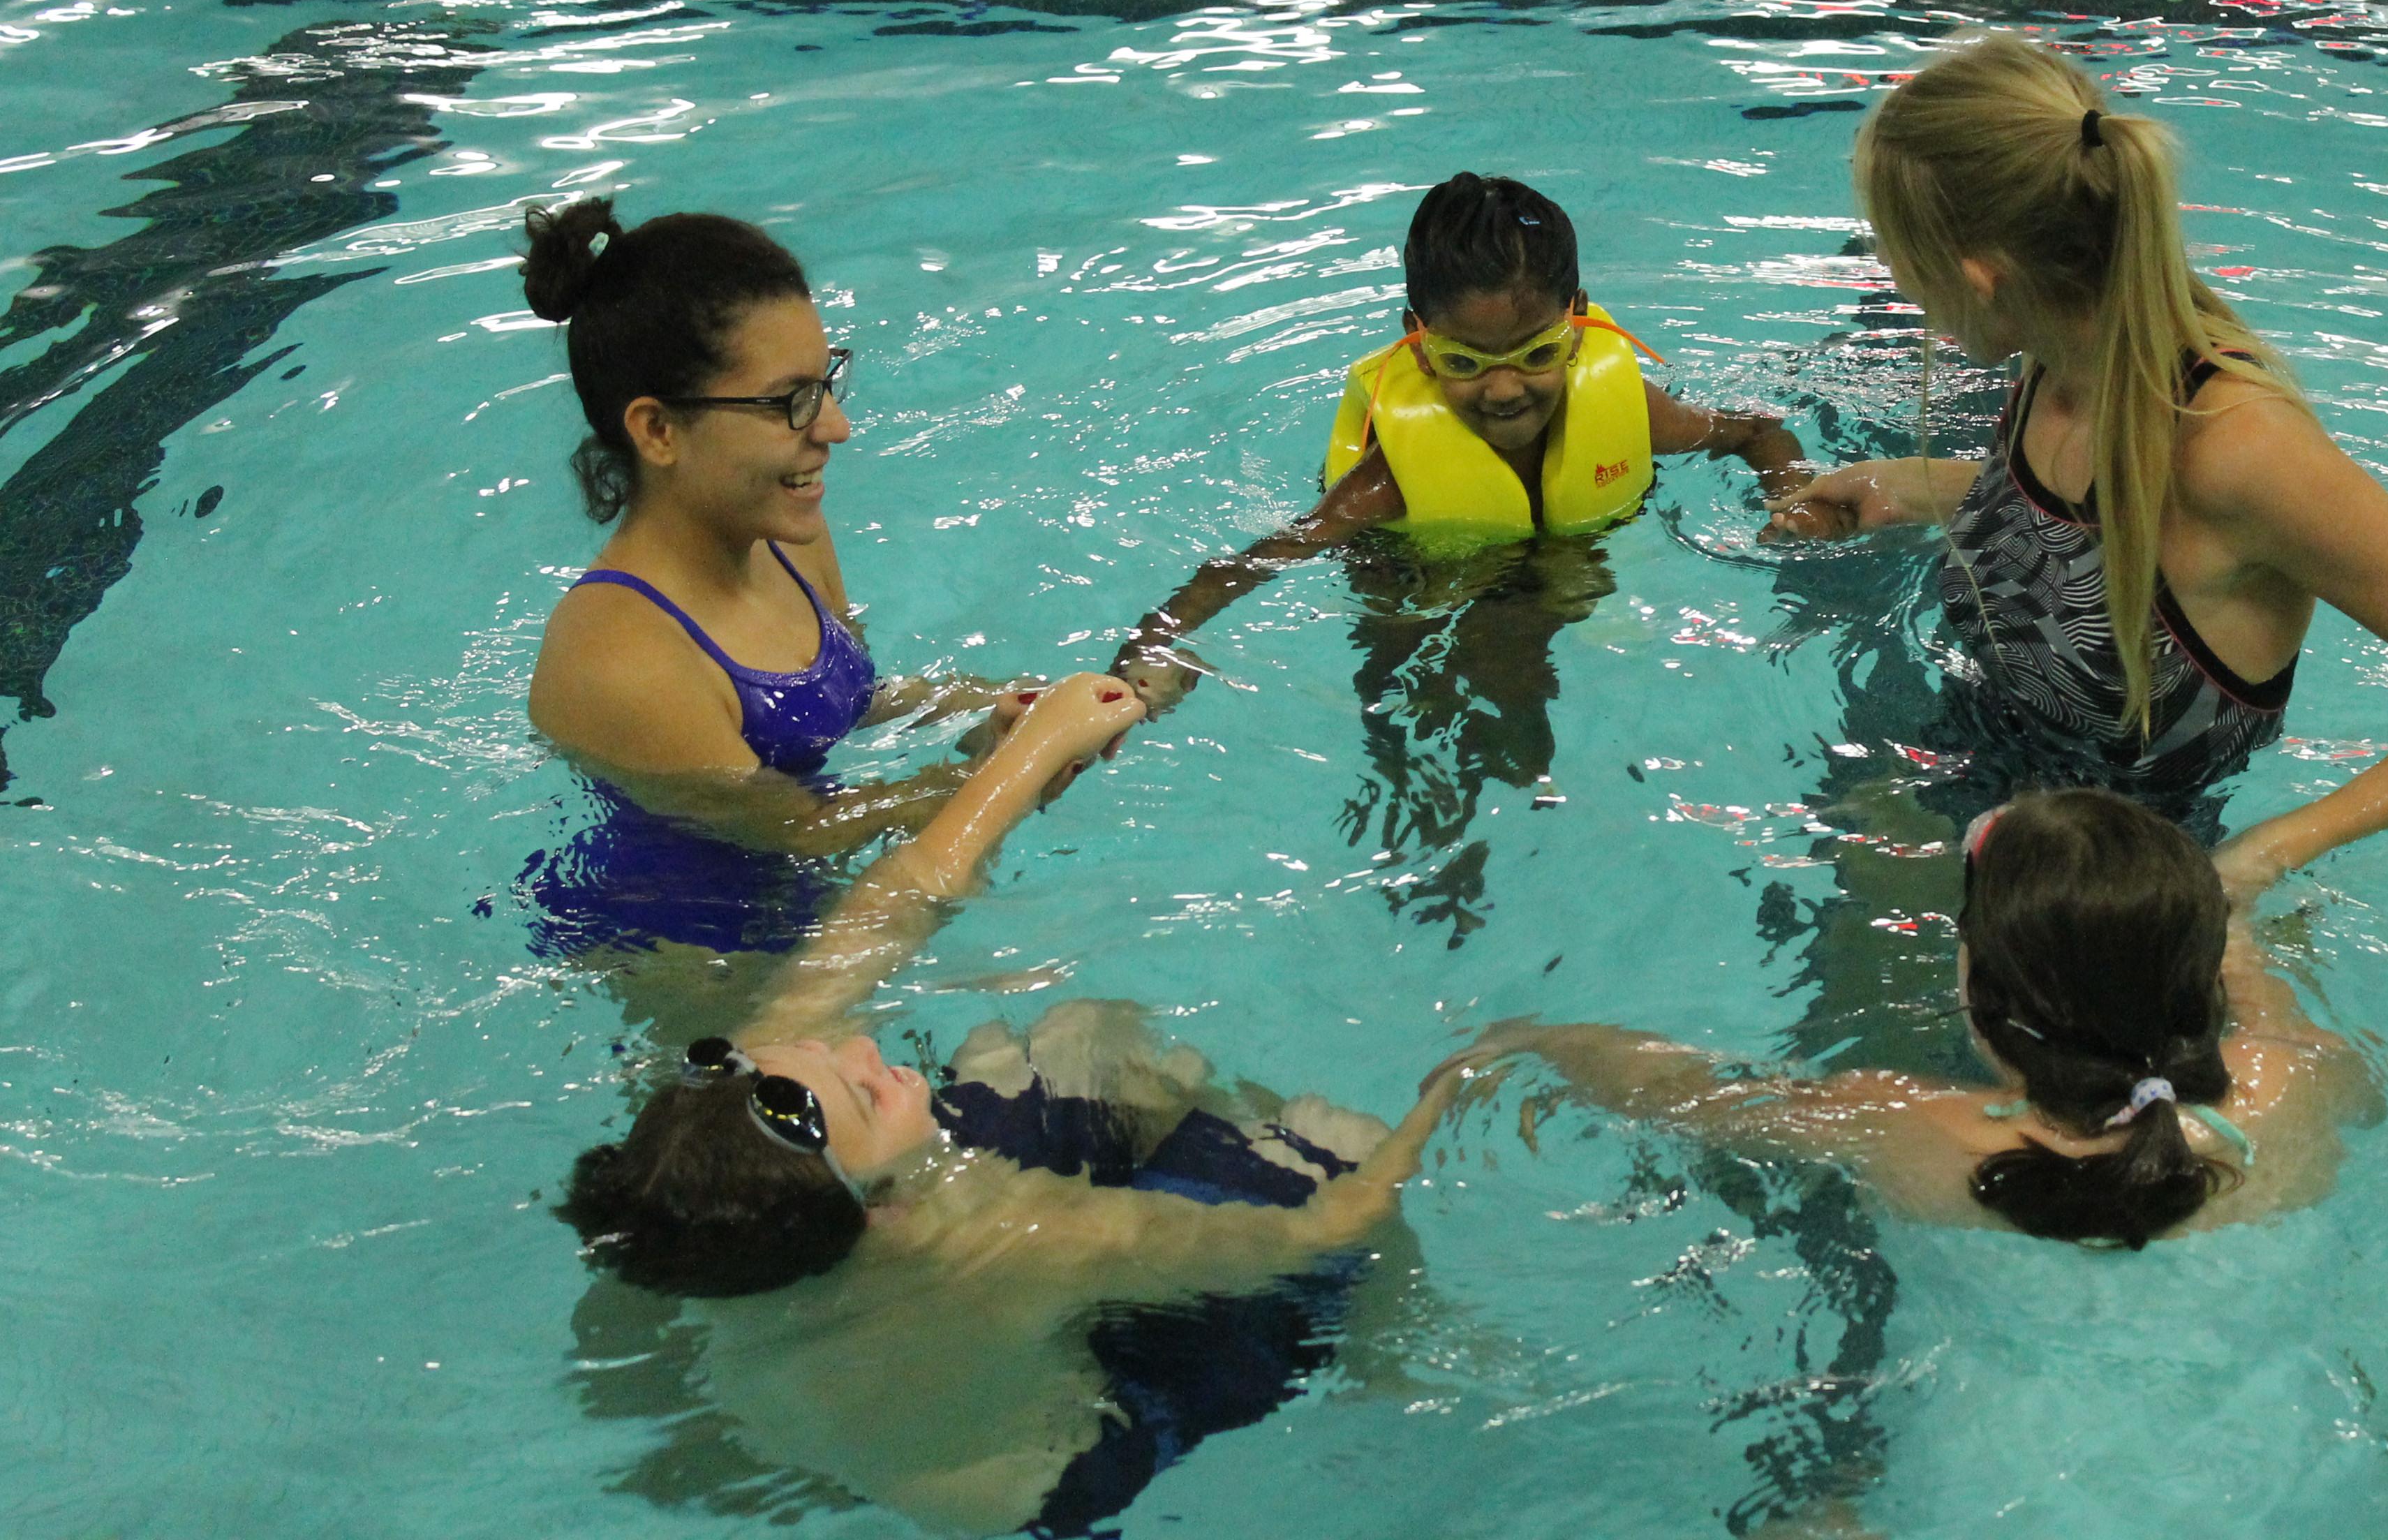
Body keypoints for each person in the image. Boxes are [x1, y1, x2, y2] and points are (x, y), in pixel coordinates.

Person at [559, 671, 1471, 1536]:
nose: (870, 1052)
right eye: (869, 1095)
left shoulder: (738, 1157)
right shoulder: (1008, 1253)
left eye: (834, 1054)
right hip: (1066, 1456)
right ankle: (1385, 1359)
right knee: (1342, 1147)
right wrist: (1460, 1086)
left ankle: (1194, 1143)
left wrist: (1035, 747)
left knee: (1087, 1038)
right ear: (891, 1210)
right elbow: (1323, 1232)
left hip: (851, 1378)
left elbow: (902, 896)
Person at [1772, 32, 2388, 883]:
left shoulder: (2235, 449)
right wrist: (1925, 488)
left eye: (1899, 258)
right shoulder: (2058, 355)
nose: (1899, 288)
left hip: (2130, 890)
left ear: (1984, 277)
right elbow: (2101, 534)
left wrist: (2270, 852)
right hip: (1983, 780)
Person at [1462, 788, 2375, 1249]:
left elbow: (1677, 1095)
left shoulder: (1900, 1125)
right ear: (2200, 982)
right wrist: (2237, 929)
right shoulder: (2301, 1077)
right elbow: (2264, 1008)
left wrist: (1537, 1040)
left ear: (1983, 999)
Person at [514, 197, 1037, 957]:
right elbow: (801, 828)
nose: (833, 426)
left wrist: (1002, 706)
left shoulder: (785, 537)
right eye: (789, 401)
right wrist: (1023, 762)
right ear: (658, 430)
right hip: (691, 967)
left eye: (826, 384)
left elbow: (853, 704)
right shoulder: (621, 654)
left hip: (815, 906)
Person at [1110, 171, 1817, 712]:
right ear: (1418, 338)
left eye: (1536, 355)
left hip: (1558, 569)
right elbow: (1262, 558)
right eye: (1465, 363)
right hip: (1415, 576)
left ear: (1576, 321)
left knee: (1518, 679)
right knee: (1399, 699)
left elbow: (1759, 433)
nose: (1504, 390)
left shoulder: (1632, 405)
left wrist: (1790, 502)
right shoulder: (1391, 480)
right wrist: (1152, 643)